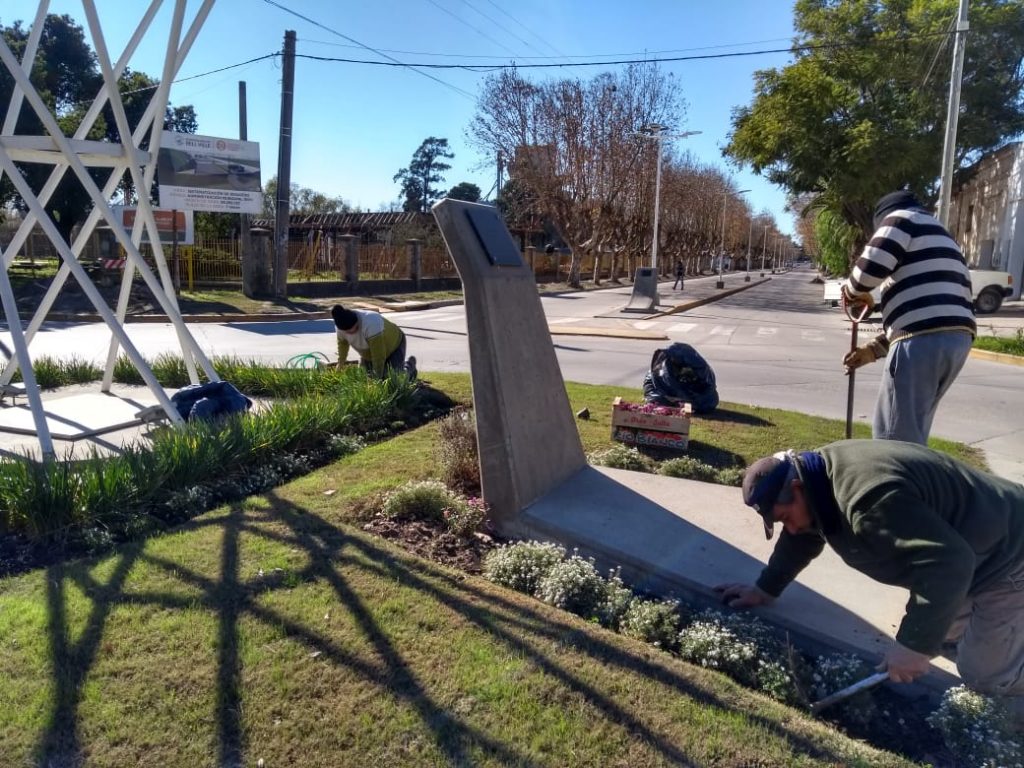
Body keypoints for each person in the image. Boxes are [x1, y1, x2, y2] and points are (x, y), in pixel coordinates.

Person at [715, 440, 1024, 711]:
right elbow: (802, 535)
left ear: (796, 490)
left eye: (785, 518)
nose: (791, 528)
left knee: (985, 675)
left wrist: (913, 645)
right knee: (943, 637)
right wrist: (765, 589)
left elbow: (950, 564)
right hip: (977, 554)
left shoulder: (868, 501)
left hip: (1010, 554)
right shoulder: (816, 479)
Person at [840, 190, 976, 445]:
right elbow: (926, 313)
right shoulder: (939, 233)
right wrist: (873, 350)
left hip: (924, 340)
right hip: (957, 340)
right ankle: (913, 480)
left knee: (893, 437)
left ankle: (896, 483)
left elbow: (866, 273)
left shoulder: (900, 220)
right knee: (912, 432)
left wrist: (850, 292)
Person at [331, 305, 416, 379]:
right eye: (349, 332)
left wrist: (377, 379)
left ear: (357, 322)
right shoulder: (340, 328)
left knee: (393, 380)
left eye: (356, 329)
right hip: (368, 353)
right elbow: (343, 345)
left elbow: (379, 355)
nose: (353, 333)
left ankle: (409, 365)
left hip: (394, 346)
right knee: (363, 378)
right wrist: (340, 365)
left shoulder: (371, 323)